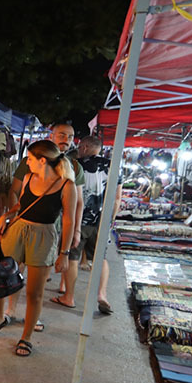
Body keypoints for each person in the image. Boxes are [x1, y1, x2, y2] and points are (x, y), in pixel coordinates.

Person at [0, 140, 77, 357]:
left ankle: (26, 337)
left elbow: (69, 221)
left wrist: (64, 253)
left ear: (42, 160)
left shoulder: (66, 185)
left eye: (30, 159)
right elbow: (21, 205)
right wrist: (6, 215)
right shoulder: (28, 178)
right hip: (17, 230)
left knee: (34, 292)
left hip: (43, 236)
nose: (27, 162)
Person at [6, 123, 84, 313]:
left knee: (37, 284)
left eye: (71, 136)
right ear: (52, 136)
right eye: (62, 135)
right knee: (13, 274)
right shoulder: (29, 164)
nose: (67, 140)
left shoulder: (73, 168)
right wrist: (10, 218)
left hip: (50, 230)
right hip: (22, 226)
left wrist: (75, 233)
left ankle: (32, 319)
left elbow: (76, 206)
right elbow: (16, 194)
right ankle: (10, 311)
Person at [74, 135, 122, 315]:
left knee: (73, 257)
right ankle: (102, 294)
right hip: (102, 220)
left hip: (79, 219)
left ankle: (68, 295)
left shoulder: (75, 165)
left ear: (85, 147)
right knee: (100, 258)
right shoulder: (114, 166)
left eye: (79, 147)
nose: (78, 150)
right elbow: (117, 199)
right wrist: (110, 220)